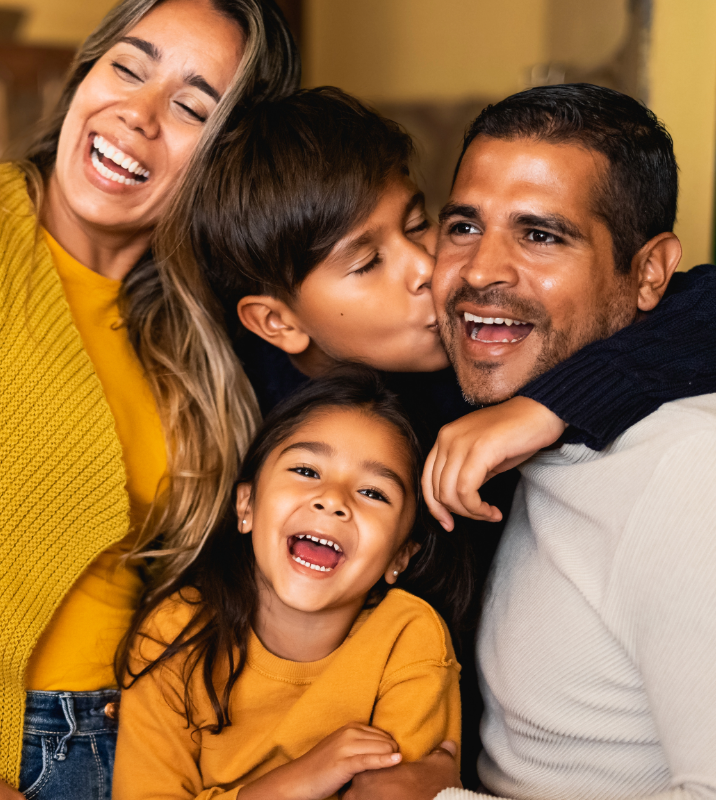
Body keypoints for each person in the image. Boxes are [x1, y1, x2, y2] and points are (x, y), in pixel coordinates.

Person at [190, 86, 716, 783]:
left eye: (540, 235)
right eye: (463, 227)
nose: (454, 272)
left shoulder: (662, 460)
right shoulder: (242, 419)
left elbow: (695, 302)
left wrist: (555, 404)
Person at [0, 2, 298, 798]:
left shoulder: (211, 343)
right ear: (85, 72)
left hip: (130, 758)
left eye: (193, 107)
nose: (139, 113)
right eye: (127, 66)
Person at [347, 83, 716, 800]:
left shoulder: (687, 477)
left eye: (541, 235)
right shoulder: (462, 400)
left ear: (649, 274)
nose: (483, 270)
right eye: (462, 227)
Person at [112, 369, 468, 799]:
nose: (333, 500)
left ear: (400, 556)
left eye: (374, 493)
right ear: (246, 505)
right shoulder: (173, 633)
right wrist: (301, 780)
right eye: (305, 469)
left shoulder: (409, 636)